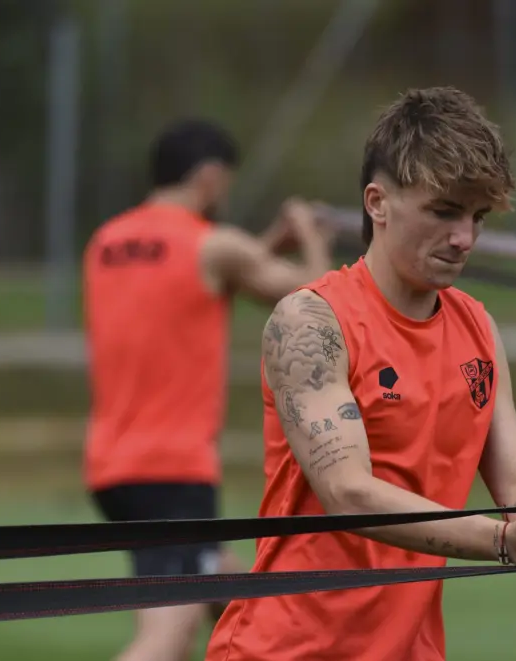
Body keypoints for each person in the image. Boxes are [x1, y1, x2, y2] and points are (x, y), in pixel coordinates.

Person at [204, 86, 516, 661]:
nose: (464, 238)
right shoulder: (312, 320)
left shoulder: (478, 330)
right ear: (377, 203)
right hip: (287, 648)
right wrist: (505, 541)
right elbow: (348, 493)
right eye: (443, 211)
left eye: (477, 217)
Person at [82, 117, 335, 661]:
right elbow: (318, 300)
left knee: (228, 590)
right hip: (172, 470)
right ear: (209, 176)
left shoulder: (106, 242)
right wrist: (312, 239)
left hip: (114, 468)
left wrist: (267, 243)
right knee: (165, 641)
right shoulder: (213, 243)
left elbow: (198, 285)